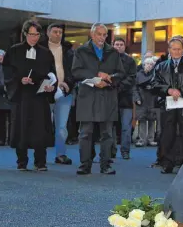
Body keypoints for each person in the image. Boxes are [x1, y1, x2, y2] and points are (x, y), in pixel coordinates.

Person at [72, 23, 125, 175]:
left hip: (107, 96)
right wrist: (96, 77)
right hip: (88, 96)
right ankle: (85, 164)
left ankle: (106, 165)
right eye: (99, 34)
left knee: (107, 134)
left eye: (104, 35)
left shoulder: (113, 52)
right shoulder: (81, 51)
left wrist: (109, 79)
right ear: (92, 34)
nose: (102, 37)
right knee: (85, 133)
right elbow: (76, 72)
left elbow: (120, 74)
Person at [3, 20, 56, 171]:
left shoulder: (45, 52)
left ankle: (40, 162)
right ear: (25, 34)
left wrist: (50, 85)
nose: (34, 38)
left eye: (37, 34)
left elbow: (52, 73)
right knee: (21, 128)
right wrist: (19, 80)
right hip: (22, 96)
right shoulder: (14, 50)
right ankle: (22, 162)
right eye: (31, 34)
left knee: (40, 129)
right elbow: (7, 72)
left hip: (39, 96)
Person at [153, 38, 183, 174]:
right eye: (174, 49)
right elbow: (154, 83)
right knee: (168, 134)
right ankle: (167, 162)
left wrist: (181, 91)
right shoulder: (161, 66)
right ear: (169, 50)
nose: (176, 51)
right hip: (167, 106)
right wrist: (168, 90)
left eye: (179, 49)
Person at [43, 23, 76, 165]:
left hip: (64, 92)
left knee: (62, 127)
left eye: (60, 32)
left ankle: (60, 154)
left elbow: (74, 70)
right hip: (46, 92)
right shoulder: (40, 49)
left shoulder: (69, 51)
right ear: (48, 32)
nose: (58, 34)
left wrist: (67, 83)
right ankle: (41, 155)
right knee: (44, 125)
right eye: (55, 31)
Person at [113, 37, 136, 160]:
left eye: (121, 44)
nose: (119, 46)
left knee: (126, 127)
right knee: (110, 126)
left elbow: (132, 77)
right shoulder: (108, 60)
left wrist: (119, 86)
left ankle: (125, 150)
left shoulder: (130, 61)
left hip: (126, 98)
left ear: (124, 46)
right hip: (110, 98)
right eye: (116, 44)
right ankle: (111, 150)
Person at [134, 57, 158, 147]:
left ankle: (151, 140)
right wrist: (137, 98)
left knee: (152, 121)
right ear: (144, 65)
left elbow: (159, 87)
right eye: (147, 64)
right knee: (142, 120)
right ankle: (141, 140)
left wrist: (152, 88)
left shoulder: (156, 75)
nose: (149, 65)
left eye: (151, 64)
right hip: (141, 100)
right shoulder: (138, 75)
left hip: (152, 100)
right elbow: (134, 88)